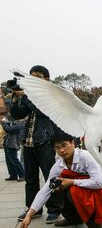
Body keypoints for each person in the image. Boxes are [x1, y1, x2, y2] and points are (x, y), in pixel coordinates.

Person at [21, 131, 102, 228]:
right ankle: (73, 219)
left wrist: (72, 182)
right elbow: (45, 190)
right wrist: (29, 216)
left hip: (100, 193)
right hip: (83, 192)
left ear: (73, 143)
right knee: (55, 189)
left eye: (64, 145)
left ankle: (95, 222)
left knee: (74, 190)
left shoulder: (85, 157)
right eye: (57, 148)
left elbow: (98, 183)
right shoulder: (58, 165)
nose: (61, 150)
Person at [10, 65, 60, 223]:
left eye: (37, 76)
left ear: (46, 78)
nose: (33, 79)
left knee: (49, 177)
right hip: (28, 142)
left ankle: (54, 209)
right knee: (30, 179)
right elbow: (17, 114)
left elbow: (42, 111)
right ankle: (33, 208)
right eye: (31, 76)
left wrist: (26, 95)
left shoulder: (50, 94)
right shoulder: (28, 94)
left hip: (44, 142)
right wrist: (16, 98)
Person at [1, 114, 25, 182]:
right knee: (9, 161)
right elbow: (7, 127)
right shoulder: (14, 123)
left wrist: (5, 122)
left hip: (13, 144)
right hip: (7, 143)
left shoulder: (21, 124)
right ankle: (13, 175)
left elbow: (8, 129)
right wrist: (6, 123)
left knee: (14, 160)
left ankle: (22, 175)